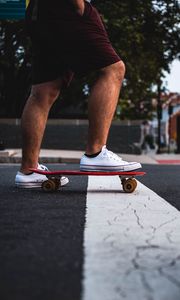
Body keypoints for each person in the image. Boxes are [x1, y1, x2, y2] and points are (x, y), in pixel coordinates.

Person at [15, 0, 141, 188]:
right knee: (113, 70)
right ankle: (95, 153)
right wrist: (79, 5)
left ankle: (28, 169)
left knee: (43, 91)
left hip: (38, 12)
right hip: (65, 8)